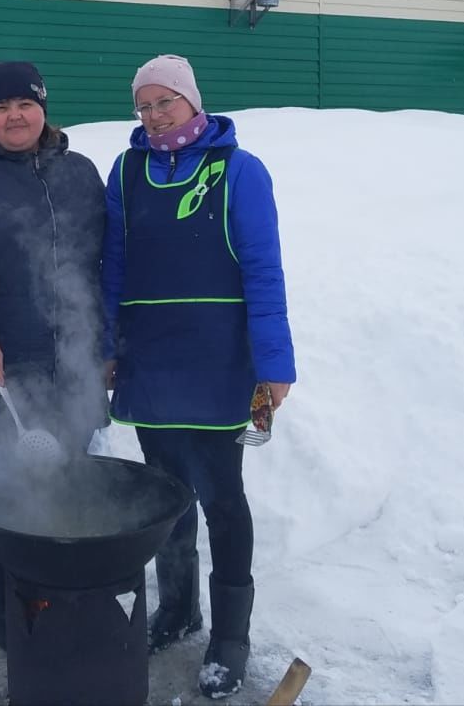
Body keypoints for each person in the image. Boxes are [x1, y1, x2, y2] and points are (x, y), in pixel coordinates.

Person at [101, 54, 296, 698]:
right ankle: (178, 609)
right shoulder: (128, 171)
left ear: (192, 102)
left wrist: (274, 366)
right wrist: (106, 344)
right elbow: (113, 267)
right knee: (166, 495)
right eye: (144, 105)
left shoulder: (239, 171)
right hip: (150, 358)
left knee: (221, 498)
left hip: (217, 361)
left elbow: (263, 272)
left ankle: (230, 638)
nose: (155, 116)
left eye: (166, 102)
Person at [0, 61, 107, 650]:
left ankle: (67, 603)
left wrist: (104, 346)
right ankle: (13, 619)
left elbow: (102, 264)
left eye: (24, 104)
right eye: (1, 107)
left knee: (71, 486)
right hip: (2, 365)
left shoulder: (80, 171)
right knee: (10, 500)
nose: (14, 116)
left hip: (74, 363)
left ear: (43, 108)